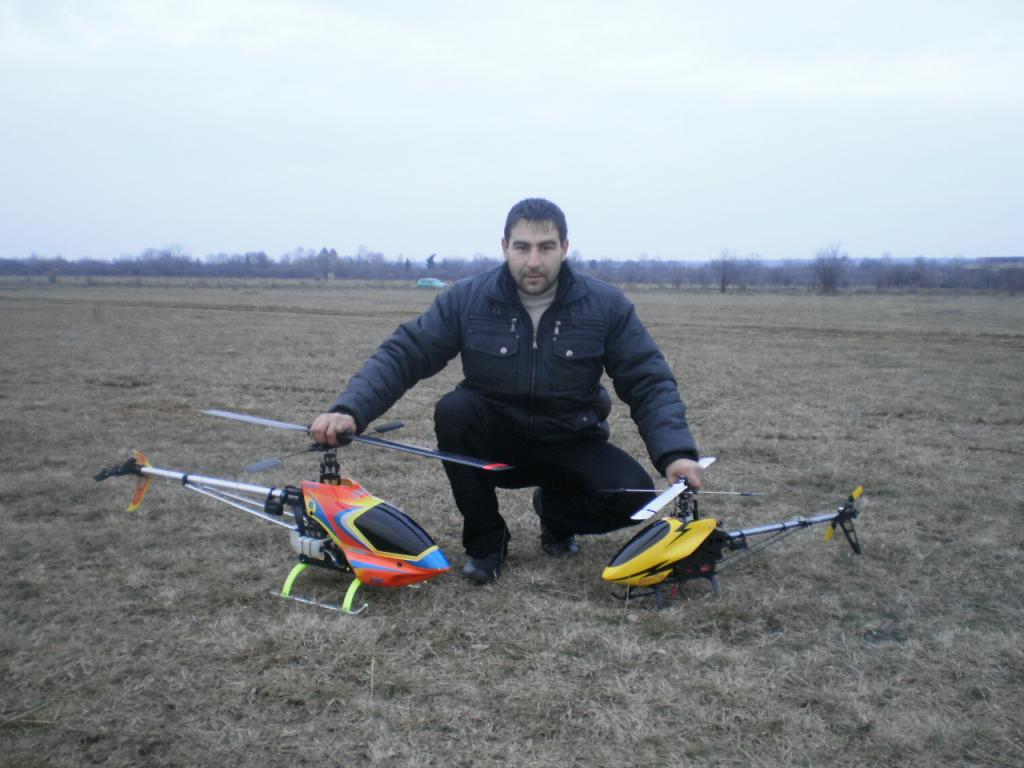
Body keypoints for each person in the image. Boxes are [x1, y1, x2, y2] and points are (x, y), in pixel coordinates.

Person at [311, 198, 702, 584]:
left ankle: (556, 515)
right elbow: (406, 353)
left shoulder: (606, 305)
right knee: (455, 410)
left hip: (571, 437)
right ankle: (487, 542)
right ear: (504, 247)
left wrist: (676, 453)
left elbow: (648, 381)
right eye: (522, 247)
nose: (533, 261)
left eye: (546, 247)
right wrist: (351, 409)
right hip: (497, 443)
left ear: (565, 248)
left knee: (636, 497)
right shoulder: (467, 299)